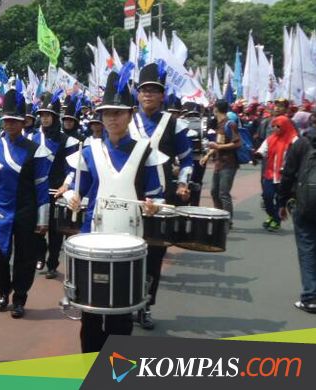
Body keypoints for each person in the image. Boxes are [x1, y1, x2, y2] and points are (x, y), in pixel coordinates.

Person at [63, 69, 166, 353]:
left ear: (129, 115)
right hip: (93, 239)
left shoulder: (146, 151)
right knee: (92, 316)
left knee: (121, 319)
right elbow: (75, 188)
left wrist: (153, 206)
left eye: (118, 113)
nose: (111, 119)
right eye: (107, 113)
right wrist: (73, 197)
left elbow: (157, 196)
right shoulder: (88, 150)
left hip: (129, 242)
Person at [127, 63, 194, 330]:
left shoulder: (173, 124)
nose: (148, 96)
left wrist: (183, 183)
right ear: (138, 94)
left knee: (154, 256)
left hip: (161, 199)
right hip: (130, 197)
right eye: (144, 91)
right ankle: (126, 302)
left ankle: (145, 306)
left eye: (154, 91)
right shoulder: (128, 121)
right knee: (128, 254)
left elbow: (188, 160)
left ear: (162, 95)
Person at [0, 88, 50, 319]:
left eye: (15, 121)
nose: (10, 125)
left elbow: (42, 187)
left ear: (23, 123)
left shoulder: (36, 150)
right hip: (0, 211)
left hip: (26, 210)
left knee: (25, 257)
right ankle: (4, 290)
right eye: (7, 120)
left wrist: (43, 219)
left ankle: (20, 297)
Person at [277, 119, 316, 313]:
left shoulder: (301, 143)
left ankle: (310, 297)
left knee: (307, 247)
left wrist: (282, 201)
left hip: (305, 203)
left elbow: (288, 174)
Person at [28, 91, 68, 278]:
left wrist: (66, 185)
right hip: (38, 192)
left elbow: (71, 168)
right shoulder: (33, 138)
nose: (44, 119)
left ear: (55, 117)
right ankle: (39, 255)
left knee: (55, 231)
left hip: (57, 190)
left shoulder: (65, 140)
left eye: (48, 115)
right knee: (36, 230)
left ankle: (53, 263)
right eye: (42, 115)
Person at [256, 116, 299, 232]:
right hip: (270, 173)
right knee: (267, 196)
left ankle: (276, 221)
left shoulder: (293, 139)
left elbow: (298, 153)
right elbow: (262, 150)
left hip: (285, 175)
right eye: (273, 126)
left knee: (280, 200)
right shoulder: (270, 138)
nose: (275, 128)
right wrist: (258, 154)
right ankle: (273, 216)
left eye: (278, 126)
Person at [206, 99, 241, 222]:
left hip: (229, 164)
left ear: (216, 109)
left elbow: (237, 143)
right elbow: (218, 143)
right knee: (214, 192)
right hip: (218, 163)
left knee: (223, 193)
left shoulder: (230, 124)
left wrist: (218, 147)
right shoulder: (219, 124)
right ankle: (219, 216)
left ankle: (227, 221)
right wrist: (208, 155)